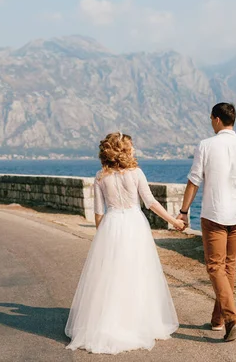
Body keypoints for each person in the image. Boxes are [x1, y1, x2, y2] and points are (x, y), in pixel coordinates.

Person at [65, 132, 184, 354]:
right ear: (125, 150)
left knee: (111, 275)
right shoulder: (136, 173)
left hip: (111, 225)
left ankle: (109, 322)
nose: (134, 150)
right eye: (132, 146)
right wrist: (174, 221)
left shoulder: (100, 178)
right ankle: (136, 321)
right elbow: (150, 203)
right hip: (134, 225)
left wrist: (102, 237)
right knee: (137, 272)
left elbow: (99, 213)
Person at [177, 102, 236, 342]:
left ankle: (232, 318)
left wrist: (184, 211)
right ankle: (218, 320)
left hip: (214, 215)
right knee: (229, 266)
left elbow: (194, 182)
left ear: (216, 119)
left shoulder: (205, 146)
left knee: (215, 267)